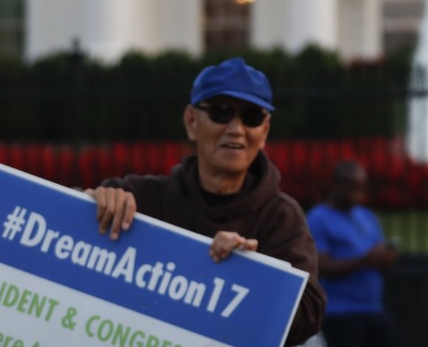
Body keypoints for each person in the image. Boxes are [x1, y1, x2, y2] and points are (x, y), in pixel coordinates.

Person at [89, 57, 325, 346]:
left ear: (263, 131)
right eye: (221, 112)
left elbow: (309, 313)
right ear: (191, 121)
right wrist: (94, 202)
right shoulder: (142, 197)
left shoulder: (281, 216)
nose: (236, 128)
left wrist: (249, 274)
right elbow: (58, 226)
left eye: (251, 116)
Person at [306, 159, 398, 347]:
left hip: (373, 309)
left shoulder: (367, 216)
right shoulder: (318, 218)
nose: (358, 194)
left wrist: (384, 259)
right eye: (352, 187)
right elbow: (320, 266)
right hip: (341, 313)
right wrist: (363, 261)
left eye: (361, 187)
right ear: (336, 186)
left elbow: (377, 256)